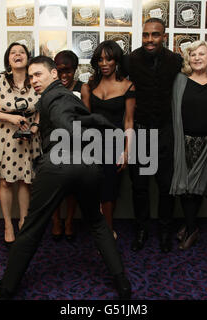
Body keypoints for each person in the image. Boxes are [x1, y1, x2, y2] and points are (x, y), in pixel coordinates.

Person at [0, 56, 131, 300]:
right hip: (88, 166)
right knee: (97, 223)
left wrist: (94, 122)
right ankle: (122, 282)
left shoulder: (55, 96)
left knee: (32, 227)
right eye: (30, 76)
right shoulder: (66, 96)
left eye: (38, 74)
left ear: (54, 75)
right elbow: (70, 122)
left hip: (59, 164)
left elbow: (64, 123)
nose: (33, 80)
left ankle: (6, 288)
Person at [125, 18, 183, 253]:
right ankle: (141, 230)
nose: (150, 39)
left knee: (166, 186)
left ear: (164, 37)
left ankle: (165, 231)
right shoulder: (129, 60)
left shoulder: (176, 60)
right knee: (139, 187)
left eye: (155, 35)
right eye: (146, 34)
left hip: (165, 132)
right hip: (139, 131)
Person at [0, 42, 41, 246]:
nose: (18, 55)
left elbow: (42, 107)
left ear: (28, 57)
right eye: (13, 52)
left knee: (26, 181)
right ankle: (8, 224)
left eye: (22, 52)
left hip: (29, 137)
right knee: (6, 182)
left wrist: (33, 128)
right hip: (4, 138)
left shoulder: (35, 79)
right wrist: (11, 118)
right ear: (8, 58)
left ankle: (24, 220)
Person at [170, 41, 207, 250]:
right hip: (184, 141)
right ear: (188, 59)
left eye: (202, 54)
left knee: (198, 187)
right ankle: (192, 229)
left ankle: (190, 226)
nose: (197, 58)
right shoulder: (180, 80)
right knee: (186, 187)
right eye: (193, 55)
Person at [84, 40, 135, 239]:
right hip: (92, 144)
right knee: (93, 190)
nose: (104, 63)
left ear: (117, 61)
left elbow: (129, 122)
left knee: (109, 191)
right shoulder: (89, 86)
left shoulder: (128, 86)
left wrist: (126, 151)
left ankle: (107, 231)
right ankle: (100, 228)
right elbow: (85, 120)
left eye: (109, 59)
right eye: (100, 59)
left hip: (114, 145)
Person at [49, 50, 89, 241]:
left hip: (75, 143)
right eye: (60, 70)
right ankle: (56, 221)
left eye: (69, 71)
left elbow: (87, 116)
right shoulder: (49, 88)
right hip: (52, 142)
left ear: (75, 70)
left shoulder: (83, 88)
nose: (64, 75)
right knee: (55, 186)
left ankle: (69, 221)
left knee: (72, 186)